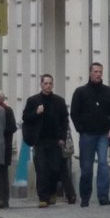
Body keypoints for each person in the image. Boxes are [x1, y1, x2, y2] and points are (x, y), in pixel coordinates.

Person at [70, 62, 110, 207]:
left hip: (103, 134)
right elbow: (74, 113)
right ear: (90, 73)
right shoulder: (80, 92)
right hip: (87, 135)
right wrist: (80, 128)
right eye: (96, 71)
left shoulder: (107, 91)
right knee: (86, 168)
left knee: (103, 164)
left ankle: (103, 196)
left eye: (100, 72)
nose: (98, 74)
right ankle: (85, 197)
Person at [22, 74, 69, 208]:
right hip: (40, 140)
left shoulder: (59, 101)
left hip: (55, 140)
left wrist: (62, 138)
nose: (48, 86)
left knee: (54, 169)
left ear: (52, 85)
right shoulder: (33, 100)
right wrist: (36, 112)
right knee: (42, 169)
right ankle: (43, 197)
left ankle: (52, 192)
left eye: (50, 83)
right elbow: (25, 117)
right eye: (45, 83)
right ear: (41, 85)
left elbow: (64, 121)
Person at [0, 90, 17, 209]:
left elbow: (12, 127)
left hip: (4, 146)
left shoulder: (7, 110)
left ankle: (4, 199)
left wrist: (0, 132)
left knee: (3, 174)